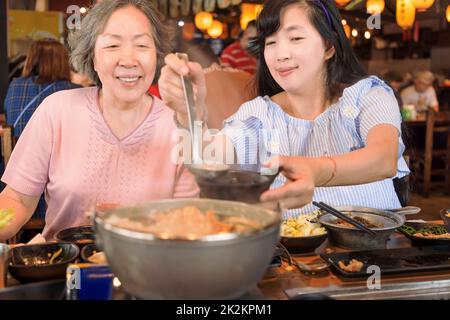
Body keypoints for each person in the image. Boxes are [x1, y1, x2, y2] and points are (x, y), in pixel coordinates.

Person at [159, 0, 409, 216]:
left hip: (379, 255)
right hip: (293, 262)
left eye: (296, 38)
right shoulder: (259, 115)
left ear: (329, 47)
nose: (281, 54)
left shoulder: (367, 96)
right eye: (270, 42)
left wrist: (315, 170)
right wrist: (189, 110)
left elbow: (383, 159)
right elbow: (208, 159)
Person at [0, 0, 198, 242]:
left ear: (157, 57)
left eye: (142, 45)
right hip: (64, 269)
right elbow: (17, 199)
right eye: (113, 45)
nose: (128, 59)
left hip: (146, 270)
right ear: (92, 57)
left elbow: (186, 221)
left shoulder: (179, 126)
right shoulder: (57, 110)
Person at [4, 39, 80, 138]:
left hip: (19, 151)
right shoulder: (72, 91)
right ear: (63, 61)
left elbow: (8, 117)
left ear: (31, 59)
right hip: (54, 152)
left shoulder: (15, 85)